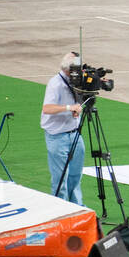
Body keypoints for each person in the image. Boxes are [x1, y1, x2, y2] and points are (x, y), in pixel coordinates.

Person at [41, 53, 85, 204]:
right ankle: (60, 207)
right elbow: (47, 108)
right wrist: (68, 107)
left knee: (75, 175)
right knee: (60, 178)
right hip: (57, 136)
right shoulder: (55, 83)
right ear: (68, 71)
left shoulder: (76, 82)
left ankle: (77, 207)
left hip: (75, 134)